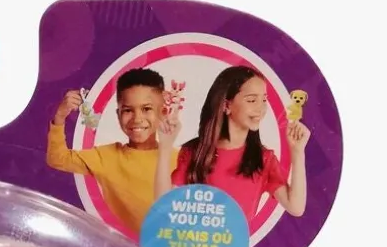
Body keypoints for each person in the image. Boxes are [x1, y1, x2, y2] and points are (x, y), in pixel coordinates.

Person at [154, 65, 309, 221]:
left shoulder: (263, 160)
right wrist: (165, 145)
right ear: (226, 105)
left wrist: (297, 151)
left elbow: (296, 207)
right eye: (252, 100)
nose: (261, 108)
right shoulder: (194, 153)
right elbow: (163, 205)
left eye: (264, 100)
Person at [46, 68, 180, 235]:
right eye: (128, 110)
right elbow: (57, 158)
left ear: (162, 112)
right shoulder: (107, 157)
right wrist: (60, 117)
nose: (137, 119)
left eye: (146, 109)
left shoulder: (180, 159)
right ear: (118, 114)